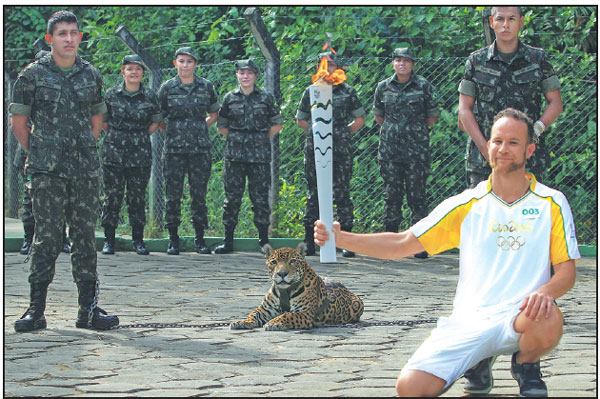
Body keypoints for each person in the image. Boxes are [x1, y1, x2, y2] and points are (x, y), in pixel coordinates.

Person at [314, 108, 579, 397]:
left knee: (549, 315)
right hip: (469, 320)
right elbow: (402, 243)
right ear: (488, 145)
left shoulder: (551, 202)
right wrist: (341, 238)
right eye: (498, 141)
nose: (504, 149)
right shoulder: (467, 204)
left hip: (522, 316)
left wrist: (546, 292)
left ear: (529, 149)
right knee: (410, 389)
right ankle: (477, 360)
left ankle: (527, 366)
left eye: (513, 143)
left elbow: (566, 272)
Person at [9, 10, 119, 332]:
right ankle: (35, 310)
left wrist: (82, 148)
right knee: (47, 239)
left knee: (85, 239)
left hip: (84, 170)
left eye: (74, 33)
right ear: (50, 39)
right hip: (47, 172)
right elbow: (18, 124)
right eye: (62, 33)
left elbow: (97, 119)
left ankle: (89, 310)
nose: (69, 39)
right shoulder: (32, 75)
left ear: (79, 37)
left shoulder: (91, 75)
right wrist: (44, 153)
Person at [458, 6, 563, 188]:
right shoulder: (476, 61)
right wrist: (487, 149)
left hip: (527, 157)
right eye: (500, 19)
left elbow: (555, 103)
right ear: (491, 23)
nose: (505, 25)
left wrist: (536, 129)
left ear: (521, 22)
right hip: (483, 161)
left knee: (528, 213)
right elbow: (464, 110)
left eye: (511, 19)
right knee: (483, 214)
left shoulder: (538, 59)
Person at [372, 47, 440, 259]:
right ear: (393, 63)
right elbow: (379, 116)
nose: (402, 64)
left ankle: (418, 245)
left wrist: (413, 132)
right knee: (391, 196)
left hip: (416, 152)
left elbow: (432, 116)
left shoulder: (423, 87)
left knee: (417, 197)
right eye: (398, 60)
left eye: (406, 61)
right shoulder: (383, 87)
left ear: (413, 64)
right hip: (390, 151)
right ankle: (390, 243)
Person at [296, 51, 365, 257]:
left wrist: (341, 133)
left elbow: (359, 120)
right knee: (314, 194)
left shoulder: (348, 91)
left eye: (332, 64)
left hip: (340, 151)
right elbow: (301, 120)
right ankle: (310, 241)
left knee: (342, 194)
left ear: (338, 67)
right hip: (316, 150)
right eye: (324, 64)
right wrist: (319, 134)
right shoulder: (312, 90)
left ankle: (346, 242)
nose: (329, 68)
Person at [214, 59, 284, 254]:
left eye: (249, 73)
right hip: (234, 157)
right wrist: (239, 139)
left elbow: (277, 124)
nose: (245, 76)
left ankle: (263, 240)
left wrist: (259, 138)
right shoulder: (229, 98)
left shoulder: (266, 98)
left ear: (255, 76)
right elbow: (222, 126)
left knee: (260, 199)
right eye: (241, 73)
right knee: (232, 199)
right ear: (237, 75)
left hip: (259, 157)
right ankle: (228, 240)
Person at [158, 47, 219, 255]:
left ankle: (199, 239)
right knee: (172, 195)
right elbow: (159, 118)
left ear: (195, 64)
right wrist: (175, 131)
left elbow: (213, 113)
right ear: (175, 63)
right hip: (174, 150)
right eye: (181, 61)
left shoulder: (205, 87)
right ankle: (173, 239)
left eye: (189, 62)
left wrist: (199, 128)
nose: (185, 65)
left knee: (198, 195)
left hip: (199, 149)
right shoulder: (167, 88)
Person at [100, 55, 162, 256]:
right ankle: (109, 240)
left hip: (140, 153)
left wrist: (137, 136)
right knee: (112, 197)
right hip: (114, 153)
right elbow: (104, 121)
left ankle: (138, 240)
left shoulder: (150, 96)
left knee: (137, 198)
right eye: (129, 68)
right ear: (122, 72)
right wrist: (119, 135)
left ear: (142, 73)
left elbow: (154, 123)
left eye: (138, 68)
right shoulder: (111, 95)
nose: (134, 72)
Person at [13, 50, 71, 256]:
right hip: (32, 150)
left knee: (62, 197)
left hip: (60, 151)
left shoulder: (63, 88)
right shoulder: (28, 85)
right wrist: (32, 149)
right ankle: (29, 240)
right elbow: (19, 123)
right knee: (31, 197)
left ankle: (62, 239)